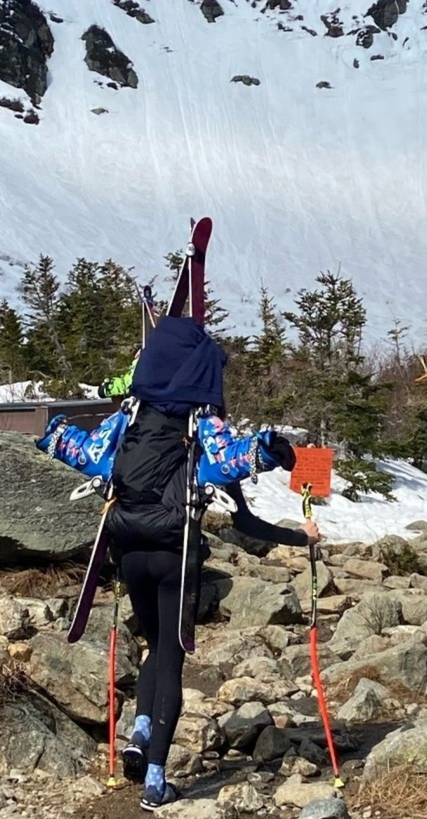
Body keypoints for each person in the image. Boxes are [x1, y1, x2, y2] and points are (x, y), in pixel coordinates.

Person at [105, 314, 321, 811]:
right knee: (172, 659)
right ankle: (156, 784)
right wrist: (283, 464)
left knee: (153, 646)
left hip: (127, 550)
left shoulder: (128, 424)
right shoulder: (200, 428)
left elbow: (73, 447)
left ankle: (139, 732)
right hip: (175, 556)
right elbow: (245, 471)